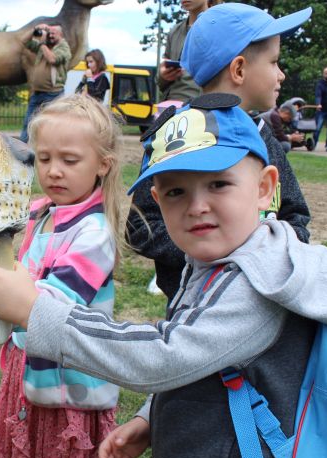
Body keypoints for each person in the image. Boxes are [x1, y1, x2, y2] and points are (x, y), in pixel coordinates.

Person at [0, 101, 327, 458]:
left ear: (264, 187)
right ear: (158, 200)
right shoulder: (216, 261)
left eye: (218, 184)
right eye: (176, 192)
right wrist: (150, 417)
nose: (197, 206)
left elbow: (166, 356)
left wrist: (34, 310)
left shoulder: (257, 284)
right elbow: (202, 358)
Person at [0, 94, 127, 458]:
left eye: (70, 160)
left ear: (103, 165)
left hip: (70, 380)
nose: (54, 171)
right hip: (32, 366)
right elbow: (27, 284)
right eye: (44, 158)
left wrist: (13, 306)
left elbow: (53, 304)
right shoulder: (41, 215)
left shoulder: (93, 233)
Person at [127, 2, 312, 300]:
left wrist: (269, 253)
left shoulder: (264, 137)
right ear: (239, 69)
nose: (281, 75)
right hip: (192, 307)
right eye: (274, 62)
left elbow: (296, 215)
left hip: (261, 300)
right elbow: (139, 227)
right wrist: (206, 252)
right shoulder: (175, 138)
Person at [157, 0, 222, 105]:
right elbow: (160, 84)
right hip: (170, 104)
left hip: (202, 106)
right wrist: (163, 76)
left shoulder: (220, 29)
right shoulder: (175, 31)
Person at [19, 24, 71, 143]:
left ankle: (51, 148)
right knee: (28, 124)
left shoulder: (64, 48)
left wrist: (42, 43)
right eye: (49, 33)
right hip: (37, 93)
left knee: (52, 125)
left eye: (53, 33)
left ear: (61, 34)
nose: (50, 35)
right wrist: (35, 29)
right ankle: (23, 151)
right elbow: (24, 41)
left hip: (53, 94)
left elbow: (52, 59)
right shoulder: (44, 47)